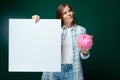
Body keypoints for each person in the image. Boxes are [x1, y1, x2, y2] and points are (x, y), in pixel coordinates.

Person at [32, 4, 90, 80]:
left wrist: (85, 52)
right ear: (60, 17)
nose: (69, 13)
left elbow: (83, 56)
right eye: (65, 13)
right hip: (54, 70)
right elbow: (39, 38)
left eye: (69, 11)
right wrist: (35, 21)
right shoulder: (53, 29)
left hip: (73, 70)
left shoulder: (81, 30)